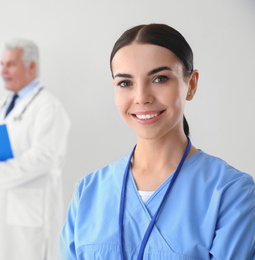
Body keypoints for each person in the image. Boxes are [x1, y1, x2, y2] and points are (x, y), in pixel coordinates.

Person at [59, 24, 255, 259]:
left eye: (160, 79)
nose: (142, 97)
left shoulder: (232, 193)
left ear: (191, 84)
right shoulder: (88, 192)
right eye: (125, 83)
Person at [0, 39, 70, 260]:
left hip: (31, 218)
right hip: (0, 215)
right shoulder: (0, 108)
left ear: (32, 67)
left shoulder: (47, 107)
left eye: (10, 64)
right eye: (1, 64)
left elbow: (45, 157)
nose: (2, 71)